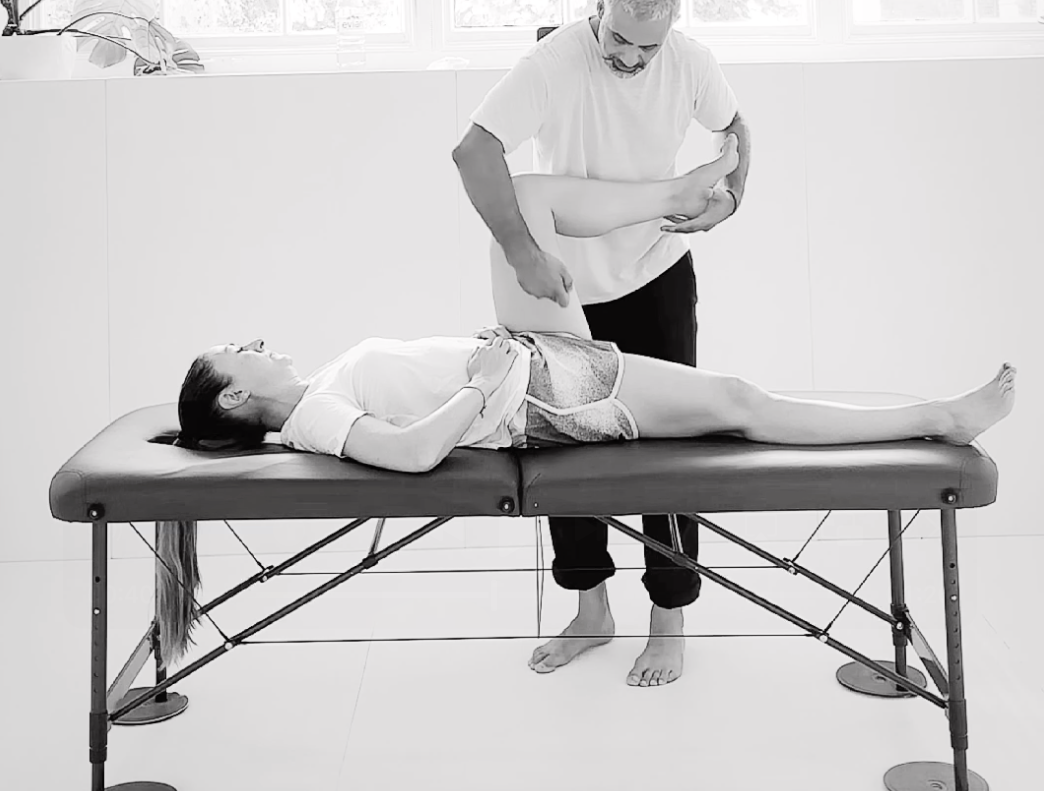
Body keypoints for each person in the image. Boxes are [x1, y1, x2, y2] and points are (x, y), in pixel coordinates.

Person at [171, 157, 1016, 673]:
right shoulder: (315, 416)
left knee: (524, 198)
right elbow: (409, 457)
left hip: (532, 356)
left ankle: (678, 190)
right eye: (234, 351)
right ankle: (935, 420)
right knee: (741, 406)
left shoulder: (321, 386)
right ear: (236, 396)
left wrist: (493, 360)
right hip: (545, 389)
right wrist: (481, 383)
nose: (252, 342)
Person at [452, 0, 750, 687]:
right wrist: (521, 250)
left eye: (648, 46)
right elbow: (474, 150)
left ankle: (669, 620)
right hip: (566, 281)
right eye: (620, 38)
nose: (632, 57)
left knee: (671, 447)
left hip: (655, 270)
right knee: (566, 449)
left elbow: (736, 128)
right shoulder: (553, 63)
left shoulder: (690, 62)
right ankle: (592, 610)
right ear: (599, 9)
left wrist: (731, 200)